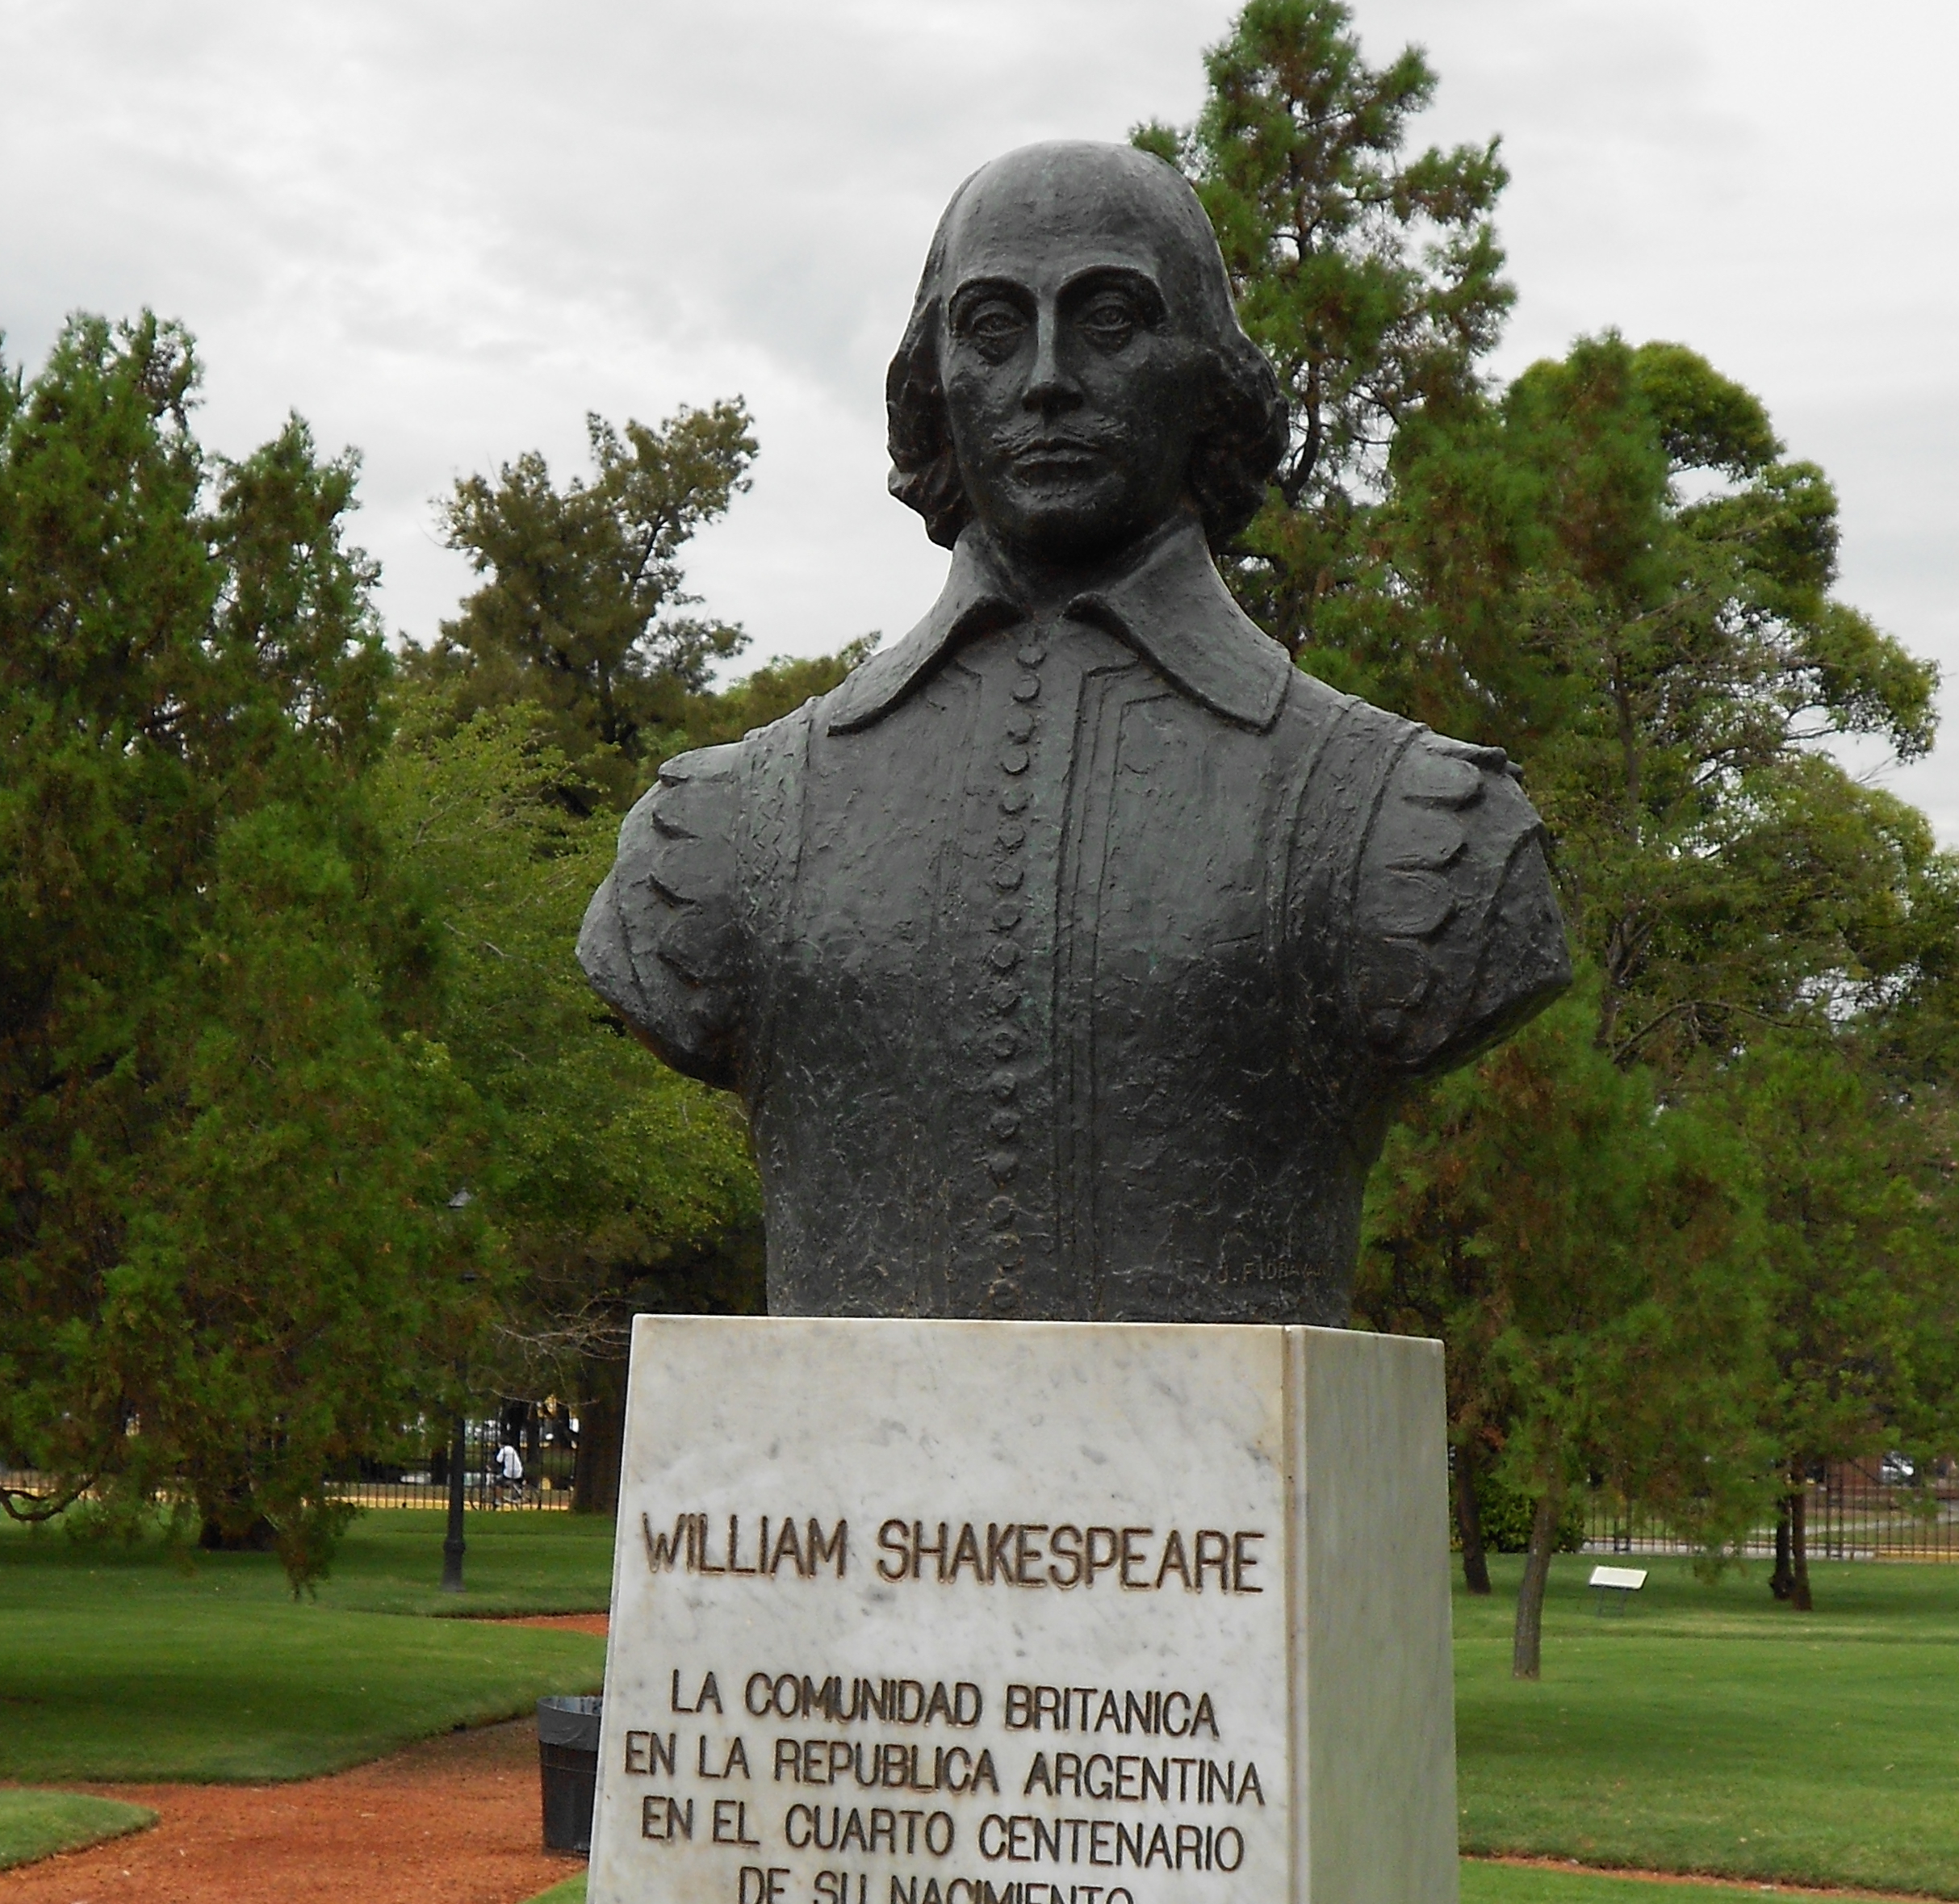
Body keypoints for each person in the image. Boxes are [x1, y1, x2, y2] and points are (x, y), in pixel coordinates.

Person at [578, 140, 1568, 1326]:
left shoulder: (1409, 825)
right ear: (932, 383)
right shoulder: (729, 826)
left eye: (1107, 322)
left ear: (1210, 374)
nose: (1046, 378)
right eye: (992, 331)